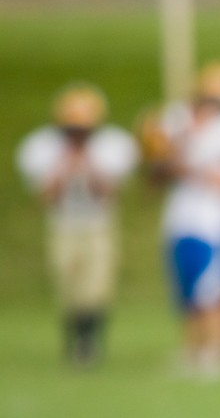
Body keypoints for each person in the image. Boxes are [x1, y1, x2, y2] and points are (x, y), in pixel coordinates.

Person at [145, 62, 220, 379]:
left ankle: (218, 348)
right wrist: (181, 143)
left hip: (215, 219)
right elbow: (158, 169)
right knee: (185, 288)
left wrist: (194, 168)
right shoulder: (179, 124)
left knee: (212, 288)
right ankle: (193, 347)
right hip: (182, 216)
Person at [14, 84, 139, 367]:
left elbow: (108, 192)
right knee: (68, 283)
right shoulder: (44, 148)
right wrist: (65, 166)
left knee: (97, 285)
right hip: (63, 222)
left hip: (98, 222)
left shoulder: (111, 146)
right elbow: (46, 197)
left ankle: (92, 341)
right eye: (72, 130)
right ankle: (74, 341)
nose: (77, 136)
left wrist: (88, 163)